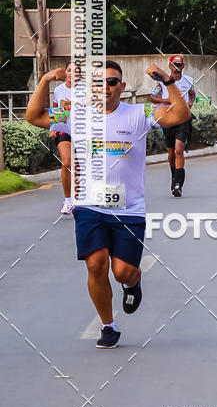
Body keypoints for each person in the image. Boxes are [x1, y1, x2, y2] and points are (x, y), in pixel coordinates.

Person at [26, 61, 190, 348]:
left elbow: (180, 113)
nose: (106, 87)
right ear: (92, 87)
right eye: (100, 82)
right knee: (96, 264)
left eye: (112, 82)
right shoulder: (75, 113)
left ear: (122, 87)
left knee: (122, 271)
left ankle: (133, 282)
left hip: (129, 208)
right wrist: (45, 81)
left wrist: (167, 81)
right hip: (89, 204)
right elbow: (34, 116)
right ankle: (108, 325)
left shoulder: (139, 113)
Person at [150, 54, 195, 197]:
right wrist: (166, 101)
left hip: (183, 118)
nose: (177, 68)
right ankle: (174, 176)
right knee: (171, 154)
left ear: (183, 66)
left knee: (178, 149)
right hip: (169, 118)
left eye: (180, 65)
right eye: (174, 65)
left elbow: (192, 94)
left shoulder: (188, 81)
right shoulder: (162, 81)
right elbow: (153, 96)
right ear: (170, 66)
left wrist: (190, 103)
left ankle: (178, 184)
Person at [49, 61, 76, 215]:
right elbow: (55, 109)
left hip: (82, 131)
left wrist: (72, 104)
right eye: (70, 70)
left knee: (81, 167)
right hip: (64, 130)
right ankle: (68, 201)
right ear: (65, 72)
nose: (72, 73)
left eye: (76, 70)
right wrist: (53, 128)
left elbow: (91, 108)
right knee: (66, 162)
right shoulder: (58, 90)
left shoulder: (85, 90)